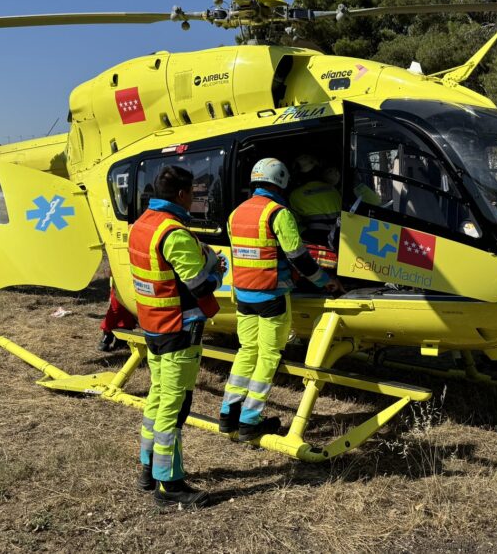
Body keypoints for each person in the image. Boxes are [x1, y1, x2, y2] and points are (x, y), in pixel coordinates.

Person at [219, 158, 345, 441]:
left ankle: (229, 413)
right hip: (271, 295)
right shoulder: (278, 213)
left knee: (246, 350)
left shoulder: (235, 214)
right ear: (283, 182)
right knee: (268, 355)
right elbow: (298, 256)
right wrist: (327, 283)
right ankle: (251, 419)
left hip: (243, 295)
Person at [129, 165, 225, 507]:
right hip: (179, 329)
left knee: (157, 399)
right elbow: (198, 286)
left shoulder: (141, 226)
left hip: (153, 326)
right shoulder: (175, 234)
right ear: (183, 195)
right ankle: (170, 486)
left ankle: (148, 467)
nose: (195, 200)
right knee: (175, 406)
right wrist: (216, 272)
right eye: (195, 194)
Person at [289, 154, 341, 245]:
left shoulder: (295, 195)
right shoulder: (333, 190)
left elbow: (293, 224)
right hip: (339, 238)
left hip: (314, 241)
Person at [98, 277, 137, 352]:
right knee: (116, 307)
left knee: (129, 308)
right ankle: (107, 336)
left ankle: (122, 340)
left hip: (134, 279)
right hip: (120, 277)